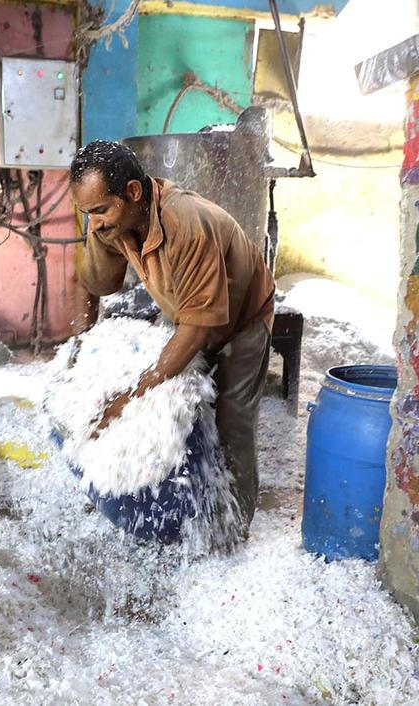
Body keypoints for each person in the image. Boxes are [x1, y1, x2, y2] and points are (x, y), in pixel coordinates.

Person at [70, 140, 275, 529]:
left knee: (231, 423)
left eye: (99, 211)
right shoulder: (113, 221)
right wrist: (80, 351)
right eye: (88, 213)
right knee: (181, 413)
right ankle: (178, 506)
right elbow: (90, 284)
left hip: (241, 319)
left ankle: (233, 527)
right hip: (186, 312)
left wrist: (133, 395)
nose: (94, 222)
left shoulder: (186, 224)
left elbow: (199, 328)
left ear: (133, 193)